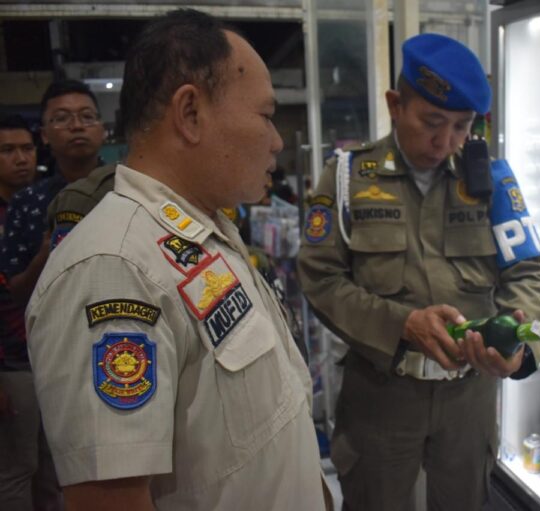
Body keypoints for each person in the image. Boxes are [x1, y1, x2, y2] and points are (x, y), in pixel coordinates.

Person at [26, 9, 329, 511]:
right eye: (266, 115)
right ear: (190, 114)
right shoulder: (115, 267)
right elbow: (110, 499)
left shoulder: (203, 233)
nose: (277, 140)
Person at [297, 33, 540, 511]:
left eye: (461, 126)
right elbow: (320, 278)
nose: (446, 141)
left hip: (468, 401)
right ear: (395, 105)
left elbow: (530, 273)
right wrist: (402, 324)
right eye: (432, 122)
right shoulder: (349, 177)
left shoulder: (491, 181)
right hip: (382, 397)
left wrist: (520, 349)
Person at [0, 79, 106, 308]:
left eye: (87, 116)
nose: (76, 126)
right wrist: (46, 256)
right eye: (62, 118)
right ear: (44, 135)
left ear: (103, 129)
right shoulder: (25, 202)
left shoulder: (129, 189)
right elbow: (17, 294)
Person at [0, 115, 58, 511]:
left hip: (50, 353)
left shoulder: (45, 203)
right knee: (17, 469)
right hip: (10, 359)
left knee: (54, 468)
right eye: (8, 150)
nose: (21, 158)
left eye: (26, 148)